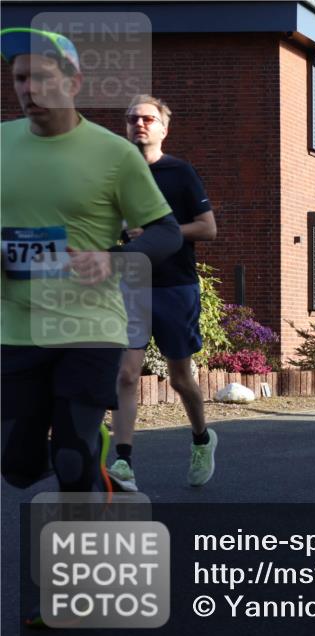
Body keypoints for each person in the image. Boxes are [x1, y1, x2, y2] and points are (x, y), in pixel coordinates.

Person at [1, 29, 182, 499]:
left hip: (89, 323)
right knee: (17, 466)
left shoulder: (114, 154)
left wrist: (114, 258)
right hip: (16, 326)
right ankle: (83, 451)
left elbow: (165, 230)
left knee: (70, 459)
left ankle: (83, 473)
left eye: (41, 76)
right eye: (20, 77)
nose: (28, 88)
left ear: (73, 82)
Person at [109, 95, 218, 492]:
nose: (140, 124)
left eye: (148, 118)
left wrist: (161, 232)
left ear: (163, 128)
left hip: (175, 285)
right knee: (125, 373)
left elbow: (208, 228)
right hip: (132, 284)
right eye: (132, 118)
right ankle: (123, 462)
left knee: (179, 377)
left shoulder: (180, 172)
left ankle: (202, 437)